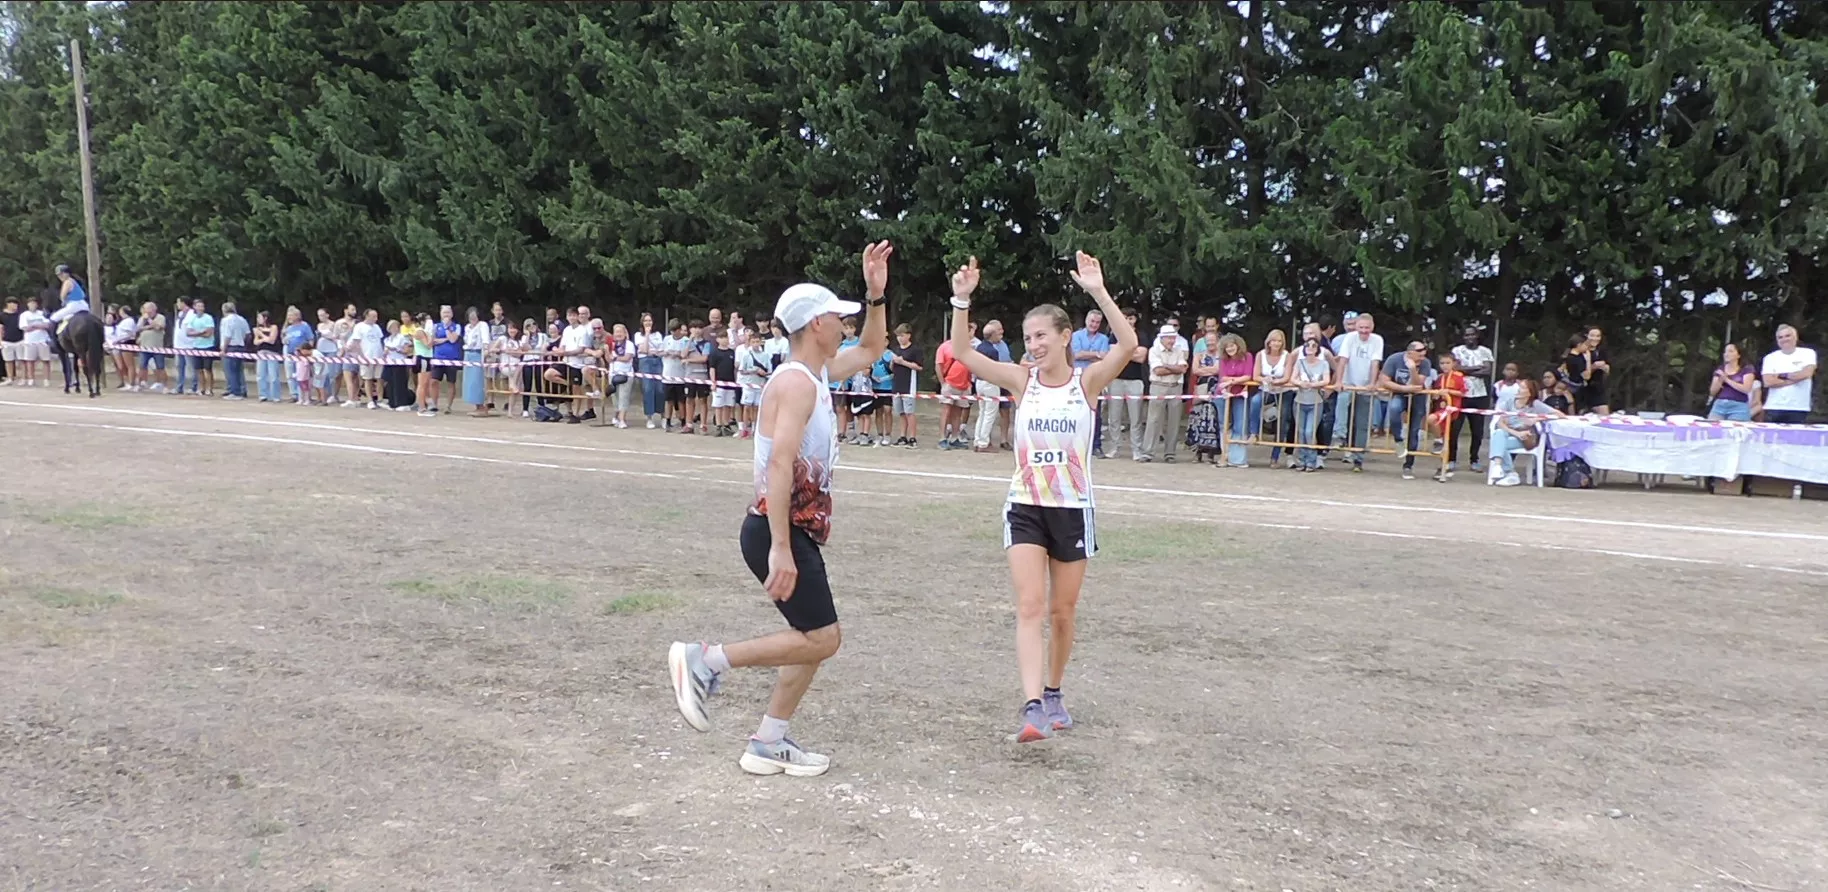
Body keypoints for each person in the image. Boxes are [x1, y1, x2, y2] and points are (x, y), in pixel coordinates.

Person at [667, 241, 893, 778]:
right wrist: (783, 550)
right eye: (838, 317)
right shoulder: (795, 383)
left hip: (788, 527)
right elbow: (781, 466)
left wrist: (875, 295)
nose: (844, 325)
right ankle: (705, 659)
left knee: (811, 638)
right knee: (824, 638)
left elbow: (872, 349)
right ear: (817, 324)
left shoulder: (816, 373)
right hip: (777, 527)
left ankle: (769, 741)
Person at [938, 251, 1136, 742]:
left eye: (1042, 335)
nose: (1034, 345)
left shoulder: (1086, 382)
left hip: (1072, 509)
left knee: (1061, 613)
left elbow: (1128, 344)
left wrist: (1097, 290)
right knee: (1029, 606)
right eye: (1028, 338)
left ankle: (1053, 690)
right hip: (1025, 506)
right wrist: (961, 299)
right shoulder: (1020, 380)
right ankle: (1031, 709)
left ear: (1065, 337)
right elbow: (963, 352)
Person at [1378, 340, 1435, 480]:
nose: (1422, 358)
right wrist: (1403, 388)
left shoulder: (1425, 363)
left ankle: (1408, 465)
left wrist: (1412, 370)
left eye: (1423, 355)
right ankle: (1398, 440)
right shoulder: (1394, 359)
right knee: (1394, 409)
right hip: (1400, 393)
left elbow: (1418, 384)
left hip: (1418, 397)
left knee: (1414, 430)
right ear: (1410, 353)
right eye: (1419, 355)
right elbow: (1384, 380)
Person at [1449, 326, 1494, 473]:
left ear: (1477, 336)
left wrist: (1466, 369)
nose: (1470, 338)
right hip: (1459, 394)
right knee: (1455, 429)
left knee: (1477, 431)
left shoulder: (1485, 351)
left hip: (1479, 394)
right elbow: (1455, 369)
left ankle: (1474, 459)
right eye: (1467, 335)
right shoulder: (1457, 351)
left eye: (1472, 335)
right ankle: (1451, 459)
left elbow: (1487, 371)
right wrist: (1476, 368)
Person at [1289, 334, 1333, 472]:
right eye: (1308, 345)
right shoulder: (1300, 362)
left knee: (1309, 432)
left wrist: (1314, 384)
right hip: (1300, 401)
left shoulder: (1323, 364)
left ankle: (1311, 460)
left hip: (1315, 402)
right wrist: (1301, 383)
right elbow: (1292, 378)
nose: (1310, 348)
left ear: (1318, 349)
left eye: (1314, 345)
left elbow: (1326, 380)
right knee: (1301, 432)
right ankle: (1301, 460)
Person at [1760, 324, 1816, 424]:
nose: (1784, 339)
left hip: (1799, 408)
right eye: (1780, 337)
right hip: (1773, 407)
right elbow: (1768, 382)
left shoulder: (1808, 353)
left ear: (1796, 337)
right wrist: (1796, 378)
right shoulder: (1770, 358)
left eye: (1787, 336)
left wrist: (1781, 375)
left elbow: (1807, 374)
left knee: (1795, 439)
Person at [1708, 343, 1758, 421]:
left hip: (1738, 406)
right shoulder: (1720, 370)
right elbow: (1712, 392)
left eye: (1731, 351)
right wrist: (1720, 381)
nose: (1727, 354)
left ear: (1738, 355)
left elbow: (1746, 389)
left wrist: (1727, 380)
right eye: (1725, 352)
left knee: (1735, 431)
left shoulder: (1746, 369)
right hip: (1719, 405)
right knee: (1713, 429)